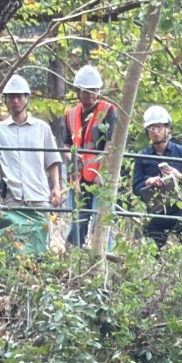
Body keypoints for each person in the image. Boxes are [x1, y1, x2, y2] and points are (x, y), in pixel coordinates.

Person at [0, 74, 65, 254]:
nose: (15, 101)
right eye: (11, 97)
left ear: (26, 98)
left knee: (40, 245)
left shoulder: (42, 128)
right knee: (14, 246)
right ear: (6, 100)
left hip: (39, 195)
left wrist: (56, 188)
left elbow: (52, 161)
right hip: (13, 198)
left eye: (19, 96)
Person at [131, 105, 182, 248]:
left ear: (167, 128)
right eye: (151, 128)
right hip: (156, 212)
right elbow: (136, 187)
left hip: (181, 210)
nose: (155, 131)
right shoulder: (143, 157)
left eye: (159, 126)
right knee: (149, 250)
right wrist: (148, 182)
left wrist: (179, 176)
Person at [63, 64, 118, 246]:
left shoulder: (108, 111)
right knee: (76, 222)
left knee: (101, 222)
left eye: (93, 91)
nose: (90, 95)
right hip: (77, 177)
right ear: (78, 91)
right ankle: (74, 254)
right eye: (86, 91)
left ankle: (104, 256)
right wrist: (71, 158)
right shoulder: (71, 114)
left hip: (100, 178)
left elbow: (111, 144)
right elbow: (66, 144)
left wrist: (102, 172)